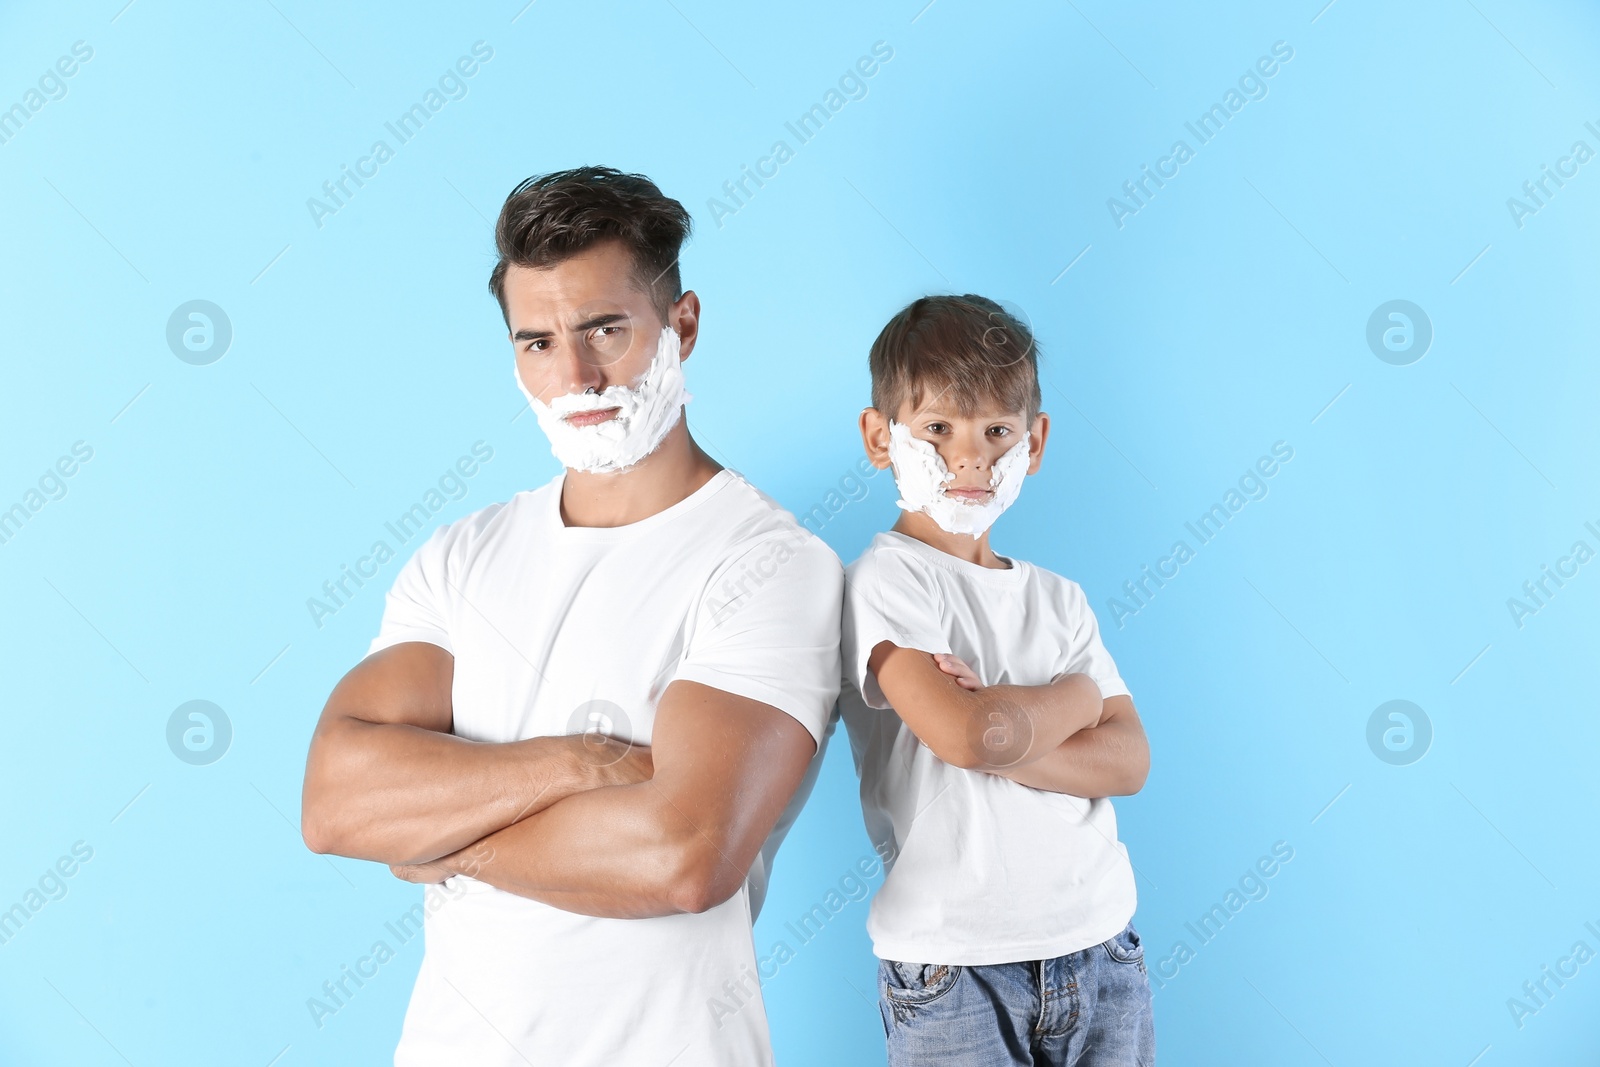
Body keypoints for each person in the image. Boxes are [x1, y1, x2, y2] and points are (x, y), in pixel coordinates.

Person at [299, 166, 844, 1066]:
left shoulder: (770, 565)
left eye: (605, 329)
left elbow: (682, 853)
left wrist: (447, 841)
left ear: (684, 325)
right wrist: (580, 762)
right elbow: (335, 801)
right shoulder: (460, 556)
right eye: (538, 343)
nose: (577, 375)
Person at [837, 294, 1155, 1066]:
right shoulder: (888, 581)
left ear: (1034, 442)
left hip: (1102, 946)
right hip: (956, 967)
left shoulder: (1059, 598)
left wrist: (1001, 724)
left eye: (996, 431)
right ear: (881, 437)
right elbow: (966, 734)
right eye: (938, 428)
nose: (970, 457)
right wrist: (1077, 698)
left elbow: (1129, 761)